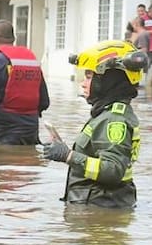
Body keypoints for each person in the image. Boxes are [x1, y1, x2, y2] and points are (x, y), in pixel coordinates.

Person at [43, 40, 146, 209]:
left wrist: (68, 156)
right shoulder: (106, 114)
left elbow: (113, 170)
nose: (83, 83)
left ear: (109, 81)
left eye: (89, 77)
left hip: (101, 207)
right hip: (96, 205)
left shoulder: (114, 120)